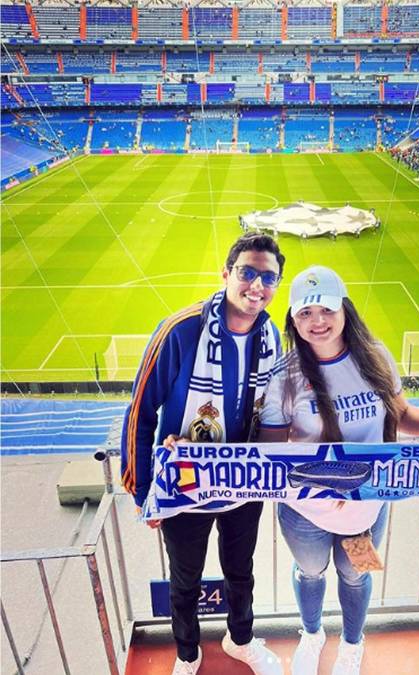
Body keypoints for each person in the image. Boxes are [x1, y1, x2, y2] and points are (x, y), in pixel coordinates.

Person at [257, 266, 419, 675]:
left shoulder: (375, 356)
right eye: (305, 313)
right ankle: (311, 635)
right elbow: (271, 451)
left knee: (354, 576)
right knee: (310, 573)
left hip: (365, 508)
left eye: (326, 309)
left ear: (344, 308)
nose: (317, 322)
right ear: (293, 320)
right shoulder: (285, 375)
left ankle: (352, 642)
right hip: (305, 510)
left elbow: (403, 417)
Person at [121, 233, 285, 675]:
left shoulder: (271, 336)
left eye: (268, 277)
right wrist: (143, 491)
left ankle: (241, 639)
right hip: (185, 484)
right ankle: (188, 653)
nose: (257, 285)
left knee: (240, 571)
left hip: (244, 482)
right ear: (226, 274)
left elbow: (273, 413)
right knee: (185, 580)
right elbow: (140, 411)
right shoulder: (181, 331)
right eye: (248, 272)